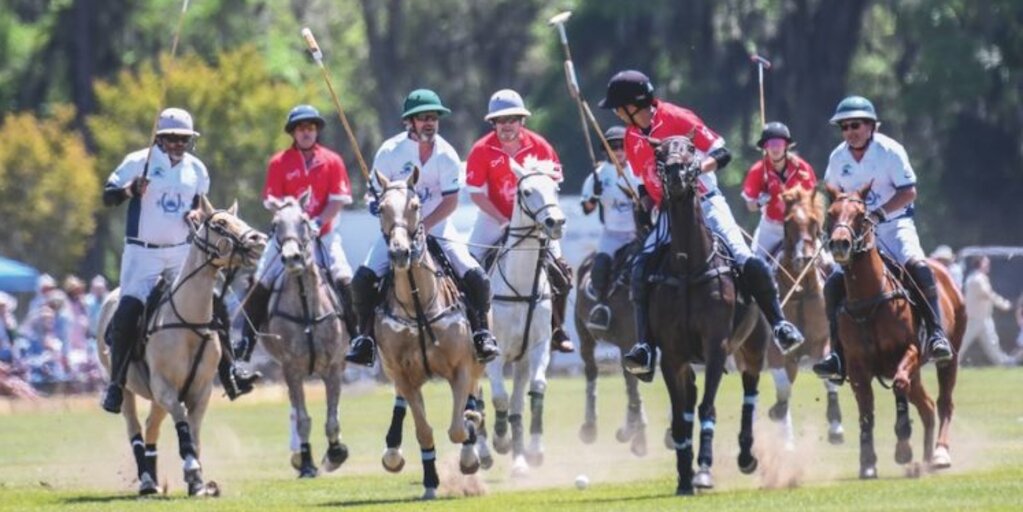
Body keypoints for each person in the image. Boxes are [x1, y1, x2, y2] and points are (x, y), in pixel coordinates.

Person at [598, 70, 805, 379]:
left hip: (705, 202)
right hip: (668, 213)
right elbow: (643, 183)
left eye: (618, 106)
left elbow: (722, 152)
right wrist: (646, 204)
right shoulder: (630, 137)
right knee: (641, 268)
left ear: (634, 104)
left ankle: (779, 325)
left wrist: (697, 167)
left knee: (743, 256)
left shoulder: (677, 117)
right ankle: (644, 347)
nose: (615, 113)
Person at [99, 107, 259, 413]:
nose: (177, 144)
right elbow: (108, 196)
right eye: (171, 138)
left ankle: (230, 373)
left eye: (183, 139)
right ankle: (116, 385)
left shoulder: (197, 170)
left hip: (181, 251)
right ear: (159, 137)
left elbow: (200, 207)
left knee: (214, 304)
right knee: (128, 311)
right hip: (142, 253)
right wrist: (130, 190)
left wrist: (197, 215)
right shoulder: (138, 161)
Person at [344, 89, 500, 366]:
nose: (430, 123)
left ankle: (481, 334)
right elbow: (374, 193)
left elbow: (451, 202)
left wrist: (424, 227)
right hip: (398, 231)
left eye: (434, 117)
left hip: (438, 226)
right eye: (423, 118)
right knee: (362, 280)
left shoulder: (447, 155)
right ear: (410, 122)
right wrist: (374, 203)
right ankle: (364, 339)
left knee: (477, 277)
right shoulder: (391, 152)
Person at [813, 96, 954, 382]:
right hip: (857, 234)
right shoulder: (838, 157)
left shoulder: (890, 150)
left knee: (917, 266)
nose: (850, 131)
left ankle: (936, 334)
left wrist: (878, 214)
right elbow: (832, 194)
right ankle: (837, 354)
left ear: (871, 126)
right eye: (845, 126)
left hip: (894, 225)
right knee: (833, 285)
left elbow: (909, 192)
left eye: (856, 125)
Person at [235, 104, 358, 362]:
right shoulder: (279, 162)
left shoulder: (332, 160)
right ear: (293, 132)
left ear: (316, 131)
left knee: (344, 276)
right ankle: (246, 340)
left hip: (323, 235)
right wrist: (292, 222)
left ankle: (358, 338)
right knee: (262, 279)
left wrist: (316, 223)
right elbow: (272, 200)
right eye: (301, 128)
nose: (306, 132)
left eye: (311, 128)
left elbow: (337, 200)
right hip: (287, 238)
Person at [464, 88, 576, 353]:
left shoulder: (540, 147)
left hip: (536, 221)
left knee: (561, 272)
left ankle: (557, 328)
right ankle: (477, 329)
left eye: (512, 119)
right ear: (493, 123)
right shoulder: (481, 150)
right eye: (501, 121)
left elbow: (552, 188)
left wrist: (542, 219)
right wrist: (504, 220)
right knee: (468, 268)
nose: (506, 126)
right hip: (494, 217)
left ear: (522, 121)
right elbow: (477, 195)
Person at [579, 126, 640, 330]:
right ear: (606, 151)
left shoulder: (638, 171)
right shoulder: (599, 175)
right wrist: (595, 195)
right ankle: (601, 307)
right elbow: (587, 208)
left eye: (622, 146)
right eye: (613, 147)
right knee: (600, 266)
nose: (618, 151)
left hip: (639, 235)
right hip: (612, 235)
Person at [741, 122, 817, 259]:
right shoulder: (758, 170)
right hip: (771, 228)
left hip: (799, 227)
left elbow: (811, 200)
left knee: (824, 261)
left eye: (779, 143)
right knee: (756, 264)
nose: (775, 148)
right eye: (770, 144)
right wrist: (760, 201)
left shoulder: (803, 168)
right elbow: (750, 206)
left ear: (786, 146)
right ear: (765, 147)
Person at [961, 256, 1017, 366]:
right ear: (980, 264)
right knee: (962, 343)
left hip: (984, 318)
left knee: (992, 342)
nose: (988, 266)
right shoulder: (977, 279)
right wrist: (1004, 304)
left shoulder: (978, 277)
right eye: (986, 263)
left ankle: (1003, 362)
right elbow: (988, 294)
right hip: (974, 319)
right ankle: (949, 363)